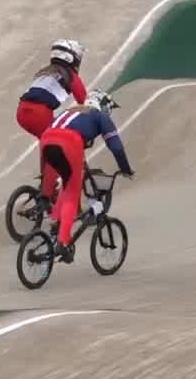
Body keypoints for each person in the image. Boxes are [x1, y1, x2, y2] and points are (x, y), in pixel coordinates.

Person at [37, 100, 133, 261]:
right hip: (70, 142)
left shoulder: (70, 111)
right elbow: (116, 146)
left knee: (65, 180)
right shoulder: (100, 116)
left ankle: (54, 218)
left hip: (46, 139)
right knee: (72, 194)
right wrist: (125, 169)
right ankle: (63, 242)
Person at [15, 39, 90, 139]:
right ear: (70, 57)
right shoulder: (70, 74)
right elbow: (83, 99)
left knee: (49, 140)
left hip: (21, 111)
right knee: (61, 139)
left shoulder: (44, 71)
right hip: (39, 113)